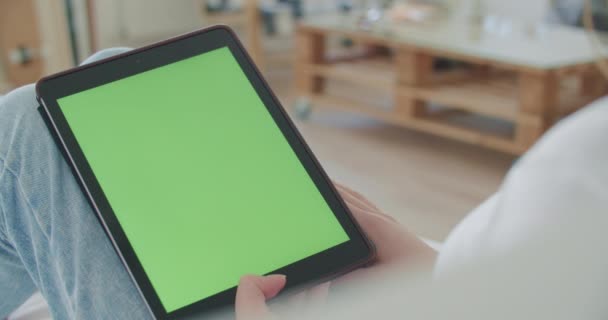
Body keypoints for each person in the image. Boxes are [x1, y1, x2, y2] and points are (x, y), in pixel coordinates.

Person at [1, 48, 607, 320]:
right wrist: (430, 271)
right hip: (430, 293)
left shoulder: (583, 165)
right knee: (112, 69)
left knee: (30, 125)